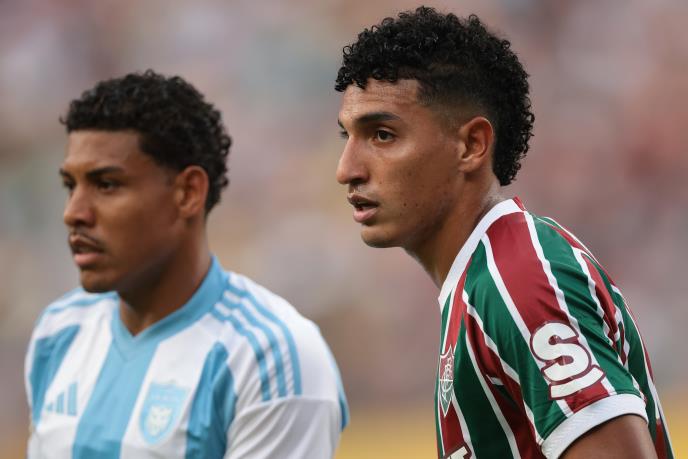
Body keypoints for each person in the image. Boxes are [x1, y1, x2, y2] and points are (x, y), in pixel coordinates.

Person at [334, 7, 672, 459]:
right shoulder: (482, 283)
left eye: (381, 135)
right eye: (347, 137)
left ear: (471, 145)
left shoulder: (517, 281)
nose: (347, 170)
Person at [24, 70, 348, 458]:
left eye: (106, 184)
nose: (73, 212)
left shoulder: (271, 358)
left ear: (187, 193)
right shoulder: (59, 331)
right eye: (70, 185)